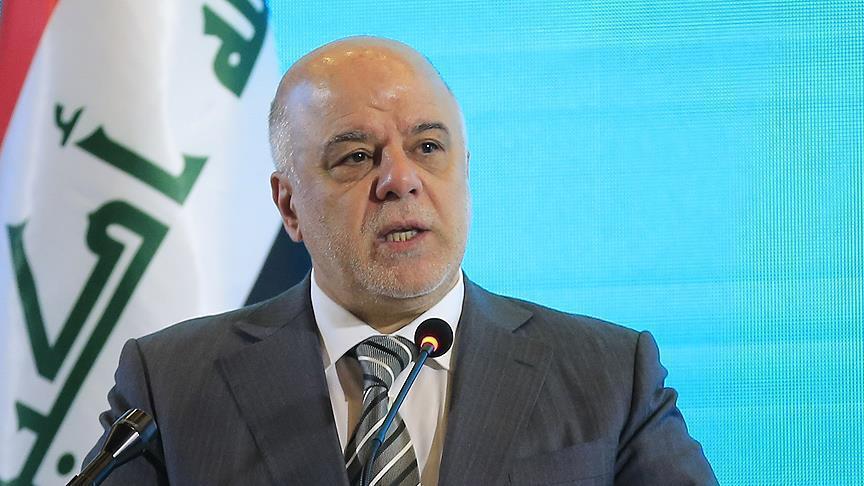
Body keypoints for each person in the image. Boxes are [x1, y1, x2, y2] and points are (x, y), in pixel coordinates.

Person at [85, 37, 717, 485]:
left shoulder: (611, 375)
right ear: (289, 205)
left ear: (466, 170)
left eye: (429, 147)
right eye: (356, 157)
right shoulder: (171, 384)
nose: (400, 179)